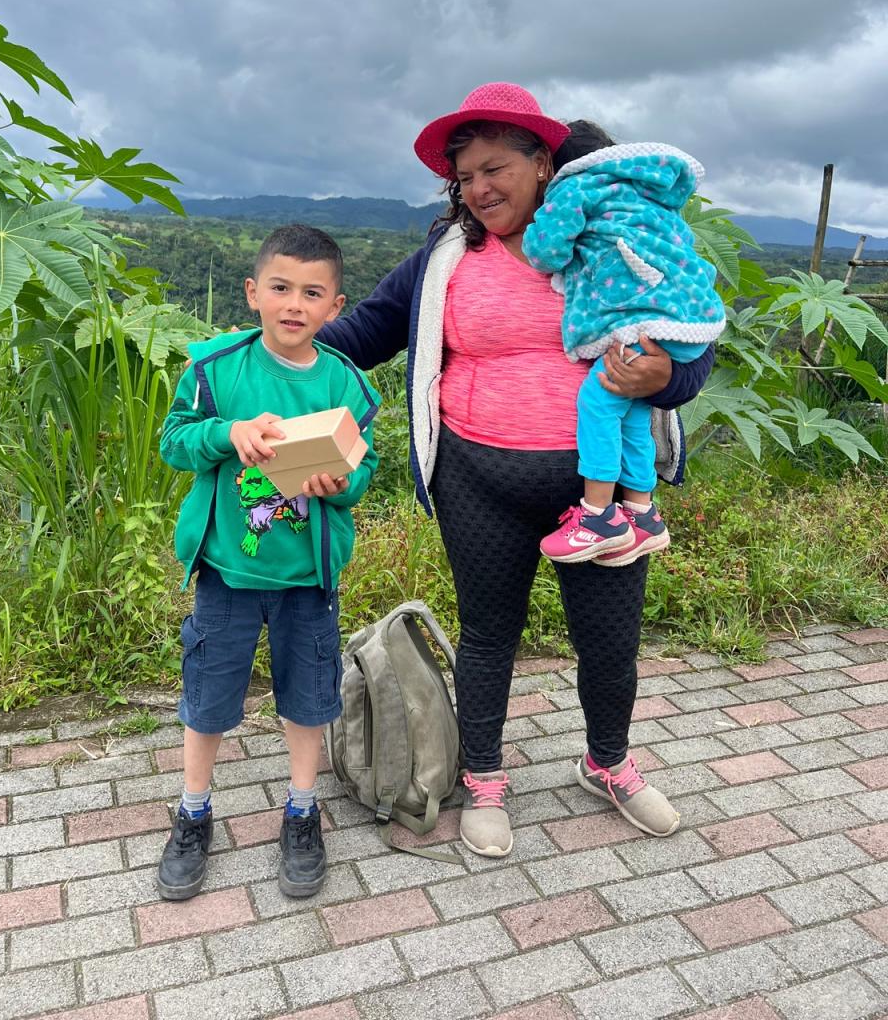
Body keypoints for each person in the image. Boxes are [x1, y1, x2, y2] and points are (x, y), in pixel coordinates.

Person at [318, 83, 713, 859]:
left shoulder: (615, 238)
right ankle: (487, 779)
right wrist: (272, 356)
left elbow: (692, 345)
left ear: (543, 163)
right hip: (477, 482)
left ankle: (608, 765)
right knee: (488, 636)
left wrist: (664, 380)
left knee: (609, 641)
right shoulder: (445, 257)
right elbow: (362, 332)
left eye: (496, 168)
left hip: (598, 499)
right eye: (465, 177)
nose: (480, 189)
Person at [157, 224, 379, 900]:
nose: (293, 304)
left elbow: (363, 472)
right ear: (254, 293)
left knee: (308, 700)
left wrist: (341, 483)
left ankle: (302, 810)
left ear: (335, 307)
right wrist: (229, 433)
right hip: (227, 573)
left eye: (312, 293)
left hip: (307, 580)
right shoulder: (218, 370)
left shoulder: (346, 386)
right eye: (280, 288)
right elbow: (175, 442)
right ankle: (194, 811)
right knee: (208, 698)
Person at [522, 124, 725, 567]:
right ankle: (641, 513)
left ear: (551, 166)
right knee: (633, 414)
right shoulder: (644, 187)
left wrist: (546, 215)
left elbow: (545, 252)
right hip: (688, 323)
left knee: (597, 401)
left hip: (645, 326)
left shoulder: (578, 184)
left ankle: (598, 517)